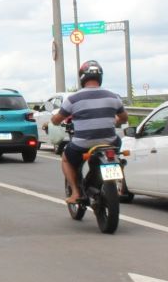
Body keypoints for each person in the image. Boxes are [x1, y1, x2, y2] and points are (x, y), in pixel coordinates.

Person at [51, 60, 129, 203]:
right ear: (100, 77)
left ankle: (76, 193)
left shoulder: (73, 99)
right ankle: (120, 183)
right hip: (109, 142)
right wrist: (116, 122)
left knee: (66, 158)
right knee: (117, 146)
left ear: (82, 77)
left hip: (83, 144)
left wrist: (53, 120)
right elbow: (124, 118)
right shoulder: (113, 97)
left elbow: (57, 120)